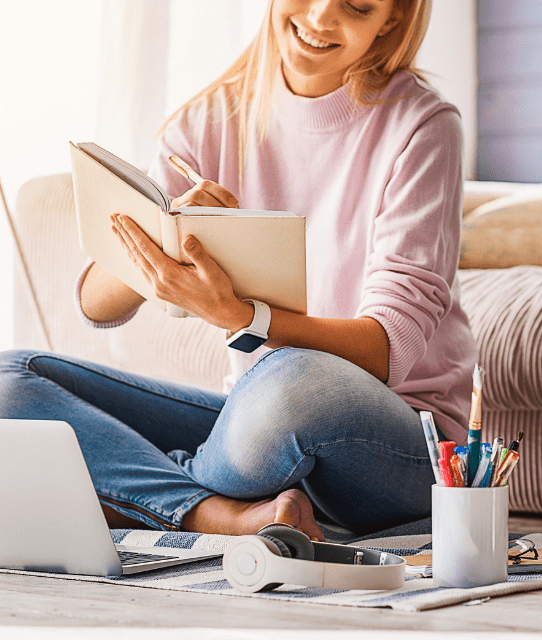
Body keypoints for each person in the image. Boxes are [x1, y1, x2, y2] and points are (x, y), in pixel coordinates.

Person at [0, 0, 476, 539]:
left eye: (357, 6)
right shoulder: (206, 123)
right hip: (256, 424)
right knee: (9, 380)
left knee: (292, 378)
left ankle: (138, 493)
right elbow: (93, 303)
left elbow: (389, 349)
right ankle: (222, 516)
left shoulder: (422, 127)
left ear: (392, 19)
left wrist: (241, 315)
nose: (320, 18)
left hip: (402, 443)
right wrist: (166, 234)